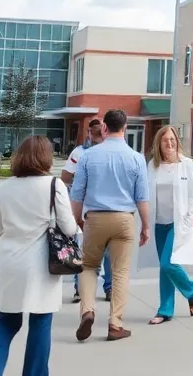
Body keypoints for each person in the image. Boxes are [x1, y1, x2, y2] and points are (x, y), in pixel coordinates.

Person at [0, 136, 77, 376]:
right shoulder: (54, 185)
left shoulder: (5, 186)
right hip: (41, 264)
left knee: (7, 321)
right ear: (46, 156)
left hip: (10, 262)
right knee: (41, 322)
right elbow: (70, 228)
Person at [69, 108, 150, 342]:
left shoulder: (88, 156)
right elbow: (142, 198)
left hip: (95, 217)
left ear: (104, 128)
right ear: (124, 128)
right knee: (120, 271)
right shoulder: (136, 158)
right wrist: (145, 226)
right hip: (124, 219)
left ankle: (87, 310)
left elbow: (77, 193)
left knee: (88, 266)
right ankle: (115, 323)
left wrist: (77, 220)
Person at [146, 125, 193, 325]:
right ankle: (165, 310)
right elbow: (145, 192)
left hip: (178, 222)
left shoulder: (186, 164)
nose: (169, 143)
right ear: (158, 143)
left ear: (177, 141)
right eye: (165, 140)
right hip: (158, 222)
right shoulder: (153, 165)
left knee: (167, 263)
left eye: (172, 140)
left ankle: (190, 288)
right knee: (164, 268)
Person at [61, 119, 111, 303]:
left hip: (105, 208)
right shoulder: (79, 152)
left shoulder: (110, 152)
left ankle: (109, 287)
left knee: (107, 251)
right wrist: (82, 175)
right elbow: (65, 176)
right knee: (81, 248)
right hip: (83, 207)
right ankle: (79, 288)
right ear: (89, 132)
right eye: (93, 131)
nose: (95, 135)